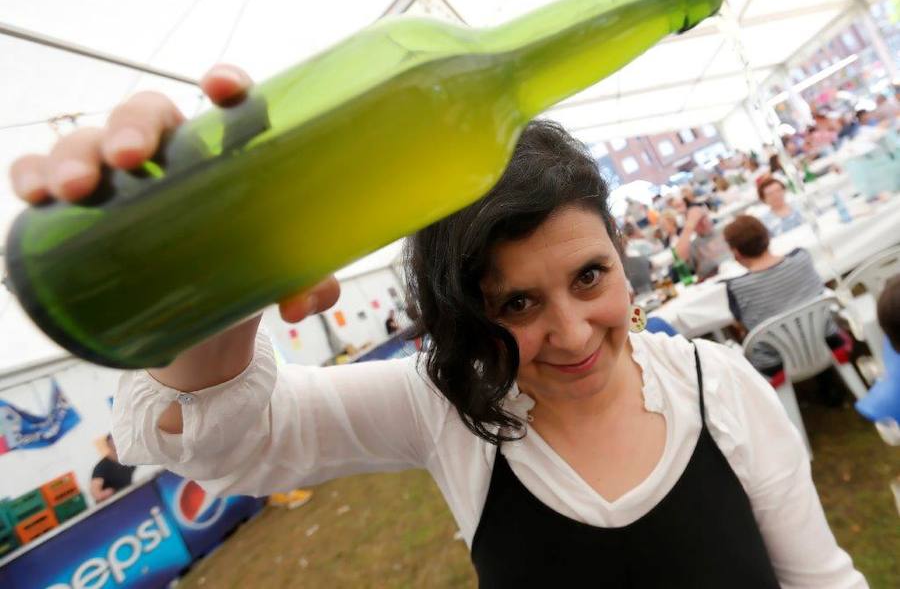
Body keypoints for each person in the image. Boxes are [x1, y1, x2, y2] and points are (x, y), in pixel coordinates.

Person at [10, 66, 867, 587]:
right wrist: (210, 286)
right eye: (516, 304)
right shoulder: (448, 405)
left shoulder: (719, 386)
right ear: (464, 314)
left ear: (620, 253)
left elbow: (822, 580)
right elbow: (227, 439)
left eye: (589, 276)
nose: (571, 333)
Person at [722, 216, 832, 376]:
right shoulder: (802, 257)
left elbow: (741, 325)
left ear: (736, 252)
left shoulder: (736, 287)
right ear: (767, 236)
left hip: (774, 365)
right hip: (825, 340)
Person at [673, 206, 732, 281]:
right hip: (713, 281)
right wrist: (689, 225)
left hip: (736, 272)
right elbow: (679, 259)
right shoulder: (693, 245)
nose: (704, 223)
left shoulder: (724, 230)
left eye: (704, 217)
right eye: (698, 221)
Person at [90, 434, 135, 503]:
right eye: (113, 440)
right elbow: (96, 493)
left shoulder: (127, 460)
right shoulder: (102, 466)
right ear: (108, 444)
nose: (116, 443)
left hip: (128, 498)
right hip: (111, 505)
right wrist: (104, 494)